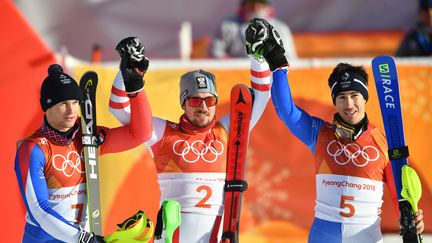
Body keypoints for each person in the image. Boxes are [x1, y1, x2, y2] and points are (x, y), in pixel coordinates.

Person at [244, 18, 425, 242]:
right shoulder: (319, 134)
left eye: (354, 96)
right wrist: (277, 64)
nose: (349, 104)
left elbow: (401, 192)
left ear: (364, 98)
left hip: (365, 237)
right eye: (342, 97)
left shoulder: (385, 142)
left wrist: (409, 219)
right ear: (335, 102)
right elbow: (286, 111)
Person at [109, 37, 271, 242]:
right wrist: (127, 68)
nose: (203, 107)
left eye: (209, 100)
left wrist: (257, 57)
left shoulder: (229, 130)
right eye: (195, 100)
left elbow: (261, 96)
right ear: (183, 104)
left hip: (216, 236)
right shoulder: (164, 133)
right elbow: (119, 108)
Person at [14, 59, 152, 243]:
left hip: (84, 237)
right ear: (46, 107)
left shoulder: (87, 135)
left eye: (74, 102)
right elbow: (38, 209)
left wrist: (134, 87)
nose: (71, 110)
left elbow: (140, 134)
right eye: (63, 103)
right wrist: (84, 239)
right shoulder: (34, 148)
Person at [209, 0, 297, 60]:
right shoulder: (227, 26)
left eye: (261, 3)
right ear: (244, 5)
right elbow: (214, 54)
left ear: (267, 6)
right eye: (252, 2)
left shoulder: (281, 28)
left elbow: (290, 59)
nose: (256, 7)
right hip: (236, 78)